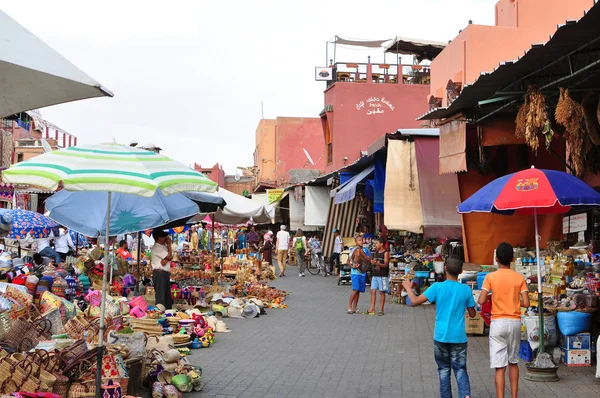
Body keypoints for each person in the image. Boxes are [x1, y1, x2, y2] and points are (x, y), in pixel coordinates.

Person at [403, 255, 476, 398]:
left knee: (443, 370)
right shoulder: (465, 290)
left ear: (444, 269)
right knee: (460, 369)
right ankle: (465, 395)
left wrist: (408, 288)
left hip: (441, 336)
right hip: (459, 337)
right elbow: (473, 314)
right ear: (461, 271)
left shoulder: (437, 287)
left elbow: (414, 301)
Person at [478, 242, 529, 398]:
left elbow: (481, 300)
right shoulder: (519, 278)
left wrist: (493, 297)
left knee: (500, 366)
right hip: (514, 323)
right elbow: (526, 303)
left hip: (498, 323)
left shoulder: (490, 277)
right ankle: (514, 396)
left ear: (496, 259)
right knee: (513, 362)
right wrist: (514, 301)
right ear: (512, 259)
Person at [347, 235, 370, 314]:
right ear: (356, 242)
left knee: (358, 291)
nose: (361, 241)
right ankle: (349, 306)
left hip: (362, 273)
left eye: (362, 240)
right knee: (355, 289)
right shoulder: (353, 250)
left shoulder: (365, 250)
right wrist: (352, 266)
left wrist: (362, 254)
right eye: (359, 240)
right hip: (355, 273)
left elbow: (368, 259)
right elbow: (348, 261)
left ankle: (355, 307)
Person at [151, 229, 174, 309]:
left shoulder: (162, 246)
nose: (165, 238)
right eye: (163, 237)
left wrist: (167, 259)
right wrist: (169, 244)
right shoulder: (156, 247)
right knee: (161, 296)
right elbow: (170, 256)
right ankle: (160, 312)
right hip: (159, 273)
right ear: (159, 238)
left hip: (164, 273)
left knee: (167, 296)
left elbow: (170, 256)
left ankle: (167, 311)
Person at [368, 237, 390, 316]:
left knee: (382, 292)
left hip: (383, 275)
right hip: (375, 274)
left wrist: (377, 264)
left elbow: (386, 264)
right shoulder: (375, 252)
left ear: (381, 244)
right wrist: (373, 262)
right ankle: (372, 308)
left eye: (377, 243)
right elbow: (373, 261)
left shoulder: (386, 253)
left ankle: (381, 309)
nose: (375, 245)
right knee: (372, 291)